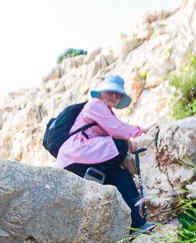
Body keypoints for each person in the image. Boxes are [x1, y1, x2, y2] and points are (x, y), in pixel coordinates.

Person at [55, 75, 155, 232]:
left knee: (121, 175)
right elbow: (117, 130)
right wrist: (130, 139)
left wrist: (140, 130)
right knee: (121, 145)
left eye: (118, 95)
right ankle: (92, 180)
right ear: (102, 91)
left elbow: (120, 125)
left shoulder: (107, 111)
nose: (114, 97)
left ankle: (137, 224)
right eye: (110, 92)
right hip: (75, 157)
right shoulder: (95, 104)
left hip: (88, 157)